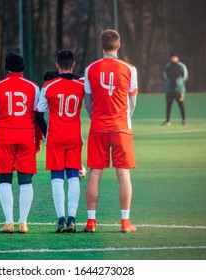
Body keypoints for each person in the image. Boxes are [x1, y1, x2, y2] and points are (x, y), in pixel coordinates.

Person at [84, 29, 138, 233]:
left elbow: (88, 103)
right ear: (119, 45)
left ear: (101, 46)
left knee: (95, 173)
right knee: (123, 173)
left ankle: (91, 221)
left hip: (98, 127)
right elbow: (132, 102)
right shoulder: (130, 69)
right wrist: (124, 119)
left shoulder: (90, 69)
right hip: (121, 128)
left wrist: (97, 119)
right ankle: (125, 222)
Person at [0, 52, 42, 234]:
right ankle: (23, 223)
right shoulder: (34, 87)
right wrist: (38, 139)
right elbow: (38, 116)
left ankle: (9, 222)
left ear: (6, 67)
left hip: (4, 137)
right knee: (26, 181)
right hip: (26, 136)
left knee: (5, 180)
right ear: (23, 67)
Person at [35, 49, 84, 233]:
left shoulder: (48, 86)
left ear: (57, 65)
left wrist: (47, 134)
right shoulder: (81, 83)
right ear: (73, 64)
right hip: (74, 137)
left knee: (56, 179)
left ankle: (61, 220)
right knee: (73, 177)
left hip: (55, 137)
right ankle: (72, 219)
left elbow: (39, 114)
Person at [162, 53, 189, 126]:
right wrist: (169, 82)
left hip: (179, 90)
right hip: (169, 90)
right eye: (173, 57)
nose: (174, 59)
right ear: (171, 58)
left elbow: (185, 77)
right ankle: (167, 121)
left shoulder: (181, 66)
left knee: (181, 104)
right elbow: (165, 76)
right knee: (169, 105)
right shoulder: (167, 66)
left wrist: (178, 82)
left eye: (175, 57)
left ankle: (184, 120)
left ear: (177, 58)